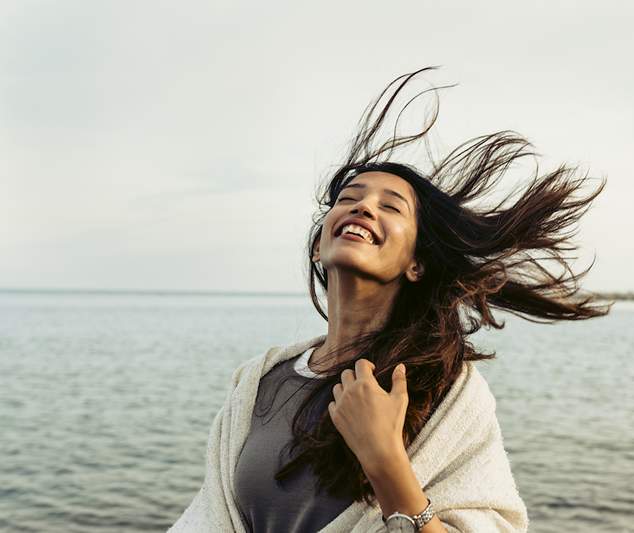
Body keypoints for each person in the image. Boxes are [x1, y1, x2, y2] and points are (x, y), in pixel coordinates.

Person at [167, 66, 611, 533]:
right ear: (319, 245)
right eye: (350, 198)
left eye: (390, 206)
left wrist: (384, 460)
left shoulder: (446, 388)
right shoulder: (259, 382)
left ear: (416, 263)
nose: (363, 206)